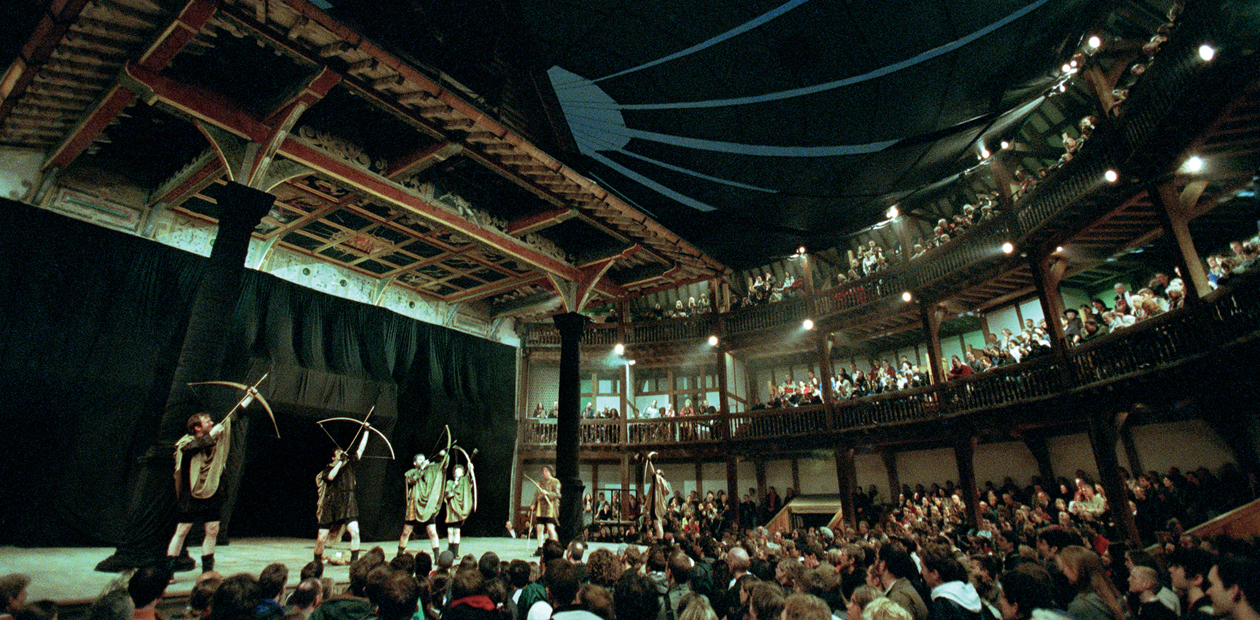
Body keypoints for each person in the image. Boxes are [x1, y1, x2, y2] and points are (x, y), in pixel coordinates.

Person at [166, 412, 232, 573]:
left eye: (210, 420)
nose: (211, 422)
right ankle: (167, 572)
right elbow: (193, 448)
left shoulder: (214, 444)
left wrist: (249, 397)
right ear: (196, 427)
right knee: (182, 531)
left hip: (212, 492)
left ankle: (208, 571)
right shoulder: (186, 443)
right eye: (206, 421)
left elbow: (234, 417)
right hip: (191, 495)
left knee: (212, 530)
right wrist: (211, 436)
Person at [314, 432, 369, 565]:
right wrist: (340, 462)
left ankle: (354, 561)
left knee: (355, 532)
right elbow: (331, 477)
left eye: (342, 452)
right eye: (338, 453)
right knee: (321, 537)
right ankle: (316, 561)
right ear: (333, 458)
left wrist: (366, 432)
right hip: (331, 503)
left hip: (348, 502)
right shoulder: (329, 468)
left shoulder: (350, 464)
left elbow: (360, 449)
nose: (341, 453)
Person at [400, 450, 448, 558]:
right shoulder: (410, 472)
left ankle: (436, 557)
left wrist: (443, 455)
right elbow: (412, 479)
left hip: (427, 506)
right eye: (420, 459)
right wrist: (421, 469)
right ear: (415, 463)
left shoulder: (431, 471)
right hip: (414, 504)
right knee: (406, 532)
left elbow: (443, 465)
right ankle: (399, 555)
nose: (423, 461)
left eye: (423, 459)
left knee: (432, 531)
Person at [444, 461, 476, 557]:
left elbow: (470, 479)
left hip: (458, 510)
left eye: (460, 472)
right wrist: (454, 485)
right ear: (454, 474)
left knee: (457, 531)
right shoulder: (450, 482)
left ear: (462, 473)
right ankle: (450, 550)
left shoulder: (464, 482)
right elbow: (447, 494)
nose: (458, 474)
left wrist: (471, 469)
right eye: (456, 472)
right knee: (450, 531)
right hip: (451, 510)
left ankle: (456, 552)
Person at [643, 452, 672, 541]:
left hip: (658, 505)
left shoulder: (661, 480)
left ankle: (660, 541)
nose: (656, 473)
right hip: (653, 504)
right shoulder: (655, 483)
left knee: (657, 523)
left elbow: (652, 472)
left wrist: (649, 460)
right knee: (656, 523)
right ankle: (660, 540)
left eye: (658, 473)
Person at [532, 466, 561, 555]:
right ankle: (540, 548)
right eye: (543, 471)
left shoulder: (555, 482)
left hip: (550, 508)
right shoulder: (540, 483)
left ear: (550, 472)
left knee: (550, 527)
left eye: (546, 471)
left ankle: (555, 548)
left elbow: (557, 494)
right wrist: (533, 504)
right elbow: (536, 495)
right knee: (539, 528)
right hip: (541, 508)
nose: (544, 473)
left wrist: (547, 493)